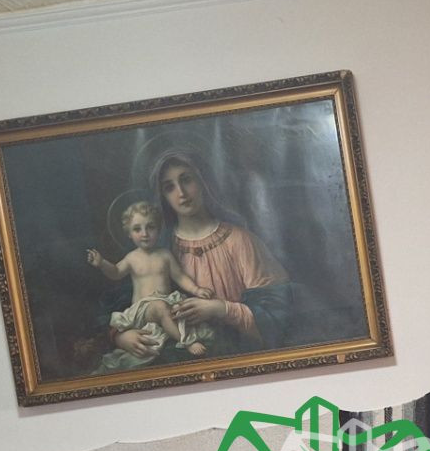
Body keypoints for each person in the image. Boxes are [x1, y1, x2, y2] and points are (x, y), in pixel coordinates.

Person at [110, 149, 294, 360]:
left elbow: (278, 318)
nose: (181, 193)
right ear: (163, 196)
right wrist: (120, 336)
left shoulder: (240, 241)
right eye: (169, 187)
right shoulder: (158, 248)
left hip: (238, 356)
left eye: (186, 180)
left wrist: (220, 309)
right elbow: (127, 307)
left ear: (203, 181)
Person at [90, 201, 214, 368]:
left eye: (150, 227)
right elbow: (116, 272)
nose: (145, 234)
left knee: (180, 310)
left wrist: (196, 289)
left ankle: (175, 330)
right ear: (129, 234)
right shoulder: (132, 258)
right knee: (160, 307)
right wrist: (101, 263)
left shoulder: (165, 255)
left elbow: (180, 277)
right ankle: (187, 341)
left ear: (159, 229)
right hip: (142, 311)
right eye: (137, 229)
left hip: (166, 303)